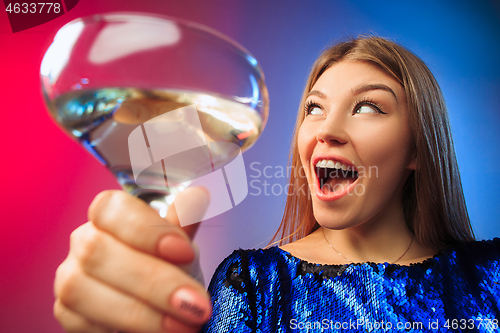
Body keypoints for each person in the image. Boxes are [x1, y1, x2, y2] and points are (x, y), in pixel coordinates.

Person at [53, 36, 500, 333]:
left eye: (367, 108)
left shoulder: (491, 276)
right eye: (314, 108)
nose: (327, 130)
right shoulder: (253, 284)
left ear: (419, 149)